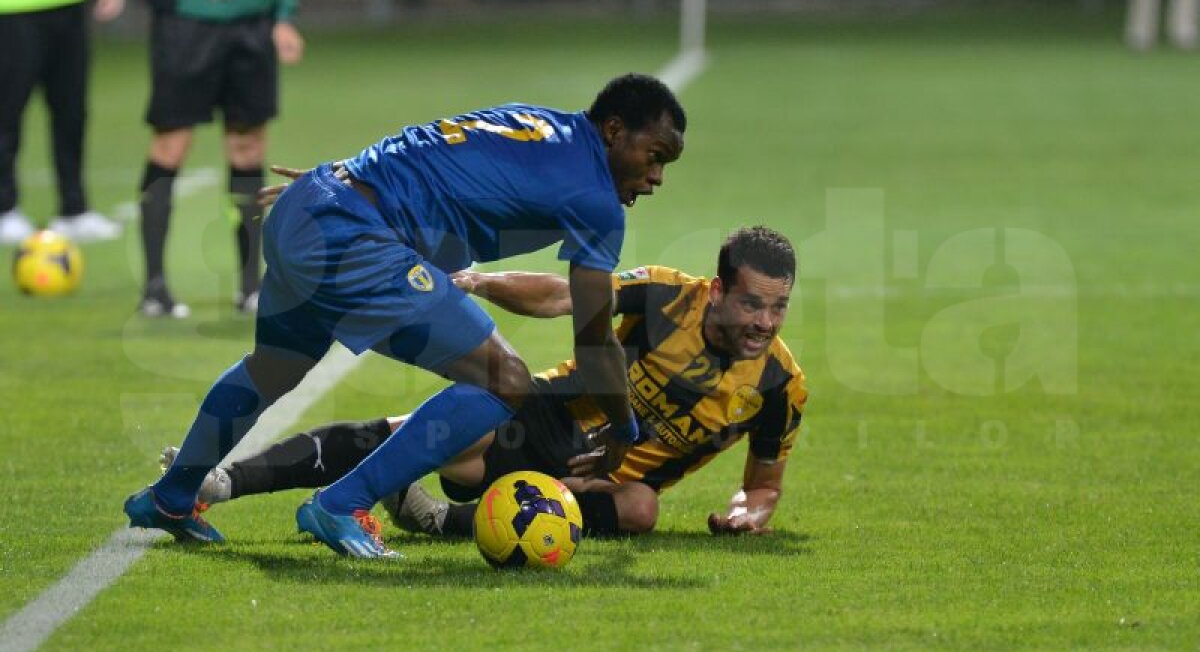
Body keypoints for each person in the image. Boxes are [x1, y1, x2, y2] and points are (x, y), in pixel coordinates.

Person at [123, 73, 687, 557]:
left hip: (312, 203)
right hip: (354, 237)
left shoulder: (536, 122)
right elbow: (593, 334)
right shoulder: (595, 199)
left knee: (273, 366)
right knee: (505, 380)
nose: (657, 177)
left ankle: (172, 496)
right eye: (654, 156)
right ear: (614, 131)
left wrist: (343, 180)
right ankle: (340, 505)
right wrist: (622, 427)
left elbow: (429, 145)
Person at [163, 227, 805, 538]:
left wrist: (749, 513)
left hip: (610, 482)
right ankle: (222, 481)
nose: (765, 323)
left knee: (642, 509)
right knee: (427, 435)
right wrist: (477, 282)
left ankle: (441, 521)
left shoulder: (778, 384)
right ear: (719, 289)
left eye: (778, 308)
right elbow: (564, 296)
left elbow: (764, 483)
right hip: (554, 417)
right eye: (753, 305)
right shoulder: (668, 296)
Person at [104, 0, 305, 317]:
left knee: (248, 149)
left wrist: (284, 14)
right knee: (171, 145)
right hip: (186, 23)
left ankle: (251, 286)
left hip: (254, 27)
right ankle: (155, 287)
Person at [0, 0, 126, 245]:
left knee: (71, 111)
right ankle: (5, 208)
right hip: (11, 5)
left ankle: (73, 209)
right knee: (7, 111)